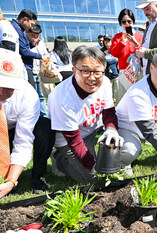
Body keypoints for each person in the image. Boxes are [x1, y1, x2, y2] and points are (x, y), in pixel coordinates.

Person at [48, 46, 124, 184]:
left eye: (97, 72)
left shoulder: (105, 82)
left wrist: (111, 130)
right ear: (74, 71)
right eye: (85, 71)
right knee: (93, 180)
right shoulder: (62, 97)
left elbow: (108, 112)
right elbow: (74, 141)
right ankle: (59, 159)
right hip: (67, 140)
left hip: (90, 128)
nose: (92, 77)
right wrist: (94, 166)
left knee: (108, 167)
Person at [0, 48, 55, 198]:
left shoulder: (27, 94)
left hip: (16, 126)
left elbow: (23, 141)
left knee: (45, 128)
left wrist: (11, 181)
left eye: (8, 87)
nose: (1, 92)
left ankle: (38, 175)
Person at [109, 8, 142, 102]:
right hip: (124, 71)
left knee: (138, 99)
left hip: (138, 71)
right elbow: (115, 53)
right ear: (120, 23)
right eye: (124, 22)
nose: (127, 24)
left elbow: (144, 53)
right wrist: (122, 43)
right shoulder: (117, 37)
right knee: (124, 100)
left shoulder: (140, 37)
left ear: (133, 21)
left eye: (129, 21)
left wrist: (136, 43)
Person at [11, 9, 50, 87]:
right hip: (23, 65)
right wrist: (41, 56)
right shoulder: (16, 29)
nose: (31, 27)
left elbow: (22, 48)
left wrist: (32, 45)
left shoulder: (19, 29)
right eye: (31, 24)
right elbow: (24, 51)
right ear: (24, 19)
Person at [26, 24, 48, 117]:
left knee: (41, 96)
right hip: (30, 71)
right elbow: (27, 53)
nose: (35, 38)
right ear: (27, 33)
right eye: (33, 36)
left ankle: (43, 116)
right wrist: (33, 44)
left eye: (37, 36)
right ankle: (34, 116)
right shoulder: (25, 42)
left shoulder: (41, 42)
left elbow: (45, 54)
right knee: (31, 97)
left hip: (39, 72)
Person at [102, 34, 119, 101]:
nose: (107, 42)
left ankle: (118, 111)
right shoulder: (102, 52)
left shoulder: (116, 50)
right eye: (105, 40)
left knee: (118, 95)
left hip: (116, 76)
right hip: (107, 77)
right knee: (108, 96)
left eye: (108, 40)